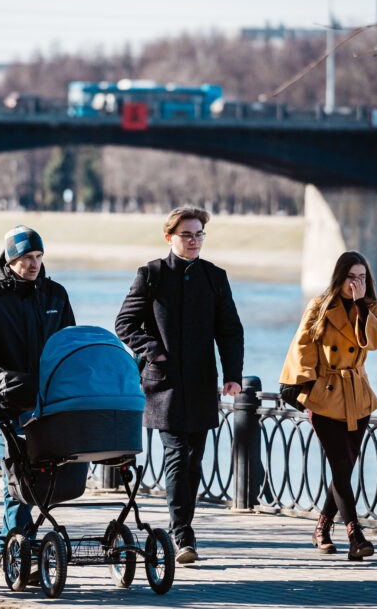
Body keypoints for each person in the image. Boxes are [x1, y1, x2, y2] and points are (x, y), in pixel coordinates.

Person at [115, 206, 244, 565]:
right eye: (187, 235)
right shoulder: (152, 274)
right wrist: (153, 351)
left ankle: (181, 524)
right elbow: (125, 324)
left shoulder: (215, 277)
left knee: (194, 460)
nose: (194, 241)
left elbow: (230, 330)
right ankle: (182, 534)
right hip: (165, 386)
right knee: (177, 456)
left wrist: (233, 374)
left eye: (200, 234)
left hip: (202, 383)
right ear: (169, 237)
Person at [0, 225, 75, 571]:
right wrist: (0, 379)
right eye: (26, 257)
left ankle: (12, 547)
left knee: (40, 481)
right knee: (17, 481)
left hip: (50, 405)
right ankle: (14, 554)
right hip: (7, 405)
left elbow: (69, 346)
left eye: (38, 257)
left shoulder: (56, 295)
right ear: (10, 258)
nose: (34, 264)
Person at [278, 250, 377, 561]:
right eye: (352, 277)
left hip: (358, 396)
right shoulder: (320, 306)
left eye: (363, 277)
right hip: (325, 396)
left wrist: (361, 308)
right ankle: (355, 534)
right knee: (340, 465)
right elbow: (303, 343)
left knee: (344, 468)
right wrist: (299, 384)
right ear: (340, 278)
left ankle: (322, 528)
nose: (357, 283)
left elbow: (376, 342)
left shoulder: (370, 308)